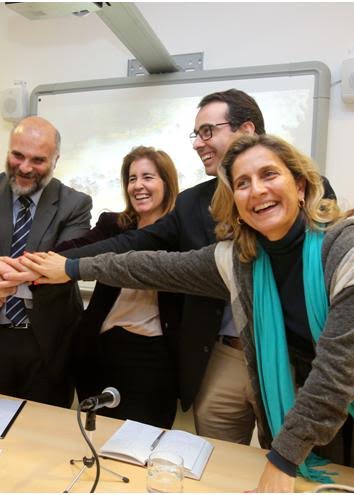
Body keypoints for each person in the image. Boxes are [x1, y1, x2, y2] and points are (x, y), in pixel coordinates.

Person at [0, 134, 354, 492]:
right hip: (313, 417)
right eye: (241, 182)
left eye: (269, 175)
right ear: (234, 202)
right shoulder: (239, 259)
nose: (256, 190)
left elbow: (341, 371)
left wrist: (281, 459)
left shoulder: (351, 248)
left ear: (300, 185)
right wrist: (71, 266)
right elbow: (150, 264)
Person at [56, 89, 267, 443]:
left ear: (245, 130)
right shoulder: (194, 204)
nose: (199, 144)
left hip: (278, 353)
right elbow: (129, 247)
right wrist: (54, 262)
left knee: (287, 461)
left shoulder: (299, 191)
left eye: (207, 132)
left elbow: (154, 266)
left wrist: (69, 268)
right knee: (219, 460)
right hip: (220, 354)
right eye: (197, 135)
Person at [0, 115, 92, 408]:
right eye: (18, 155)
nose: (25, 168)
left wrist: (0, 277)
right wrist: (24, 274)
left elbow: (63, 266)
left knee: (46, 436)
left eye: (38, 160)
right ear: (8, 151)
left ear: (56, 160)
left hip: (50, 340)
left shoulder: (75, 204)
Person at [56, 146, 181, 428]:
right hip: (99, 348)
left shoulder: (182, 233)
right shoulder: (114, 224)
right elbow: (77, 248)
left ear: (167, 183)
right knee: (95, 435)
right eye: (132, 178)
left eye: (147, 177)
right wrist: (31, 263)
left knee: (143, 442)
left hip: (154, 356)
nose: (138, 185)